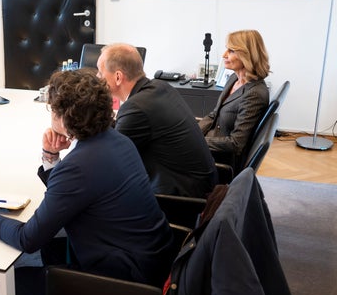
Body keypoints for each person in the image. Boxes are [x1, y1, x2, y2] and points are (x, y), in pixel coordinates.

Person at [0, 69, 176, 295]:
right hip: (154, 259)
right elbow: (70, 195)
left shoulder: (80, 165)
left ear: (66, 117)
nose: (51, 115)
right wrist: (51, 157)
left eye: (53, 110)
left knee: (15, 283)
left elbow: (28, 239)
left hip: (128, 279)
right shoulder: (118, 141)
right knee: (53, 247)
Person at [96, 43, 218, 198]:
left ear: (118, 77)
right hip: (202, 184)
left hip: (182, 199)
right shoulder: (159, 87)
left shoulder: (135, 108)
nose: (97, 77)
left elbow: (111, 161)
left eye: (100, 72)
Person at [199, 30, 270, 168]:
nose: (224, 55)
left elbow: (236, 144)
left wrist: (197, 141)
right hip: (210, 142)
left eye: (231, 51)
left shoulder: (254, 94)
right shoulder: (234, 79)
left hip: (219, 158)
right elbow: (214, 114)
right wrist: (193, 133)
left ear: (247, 55)